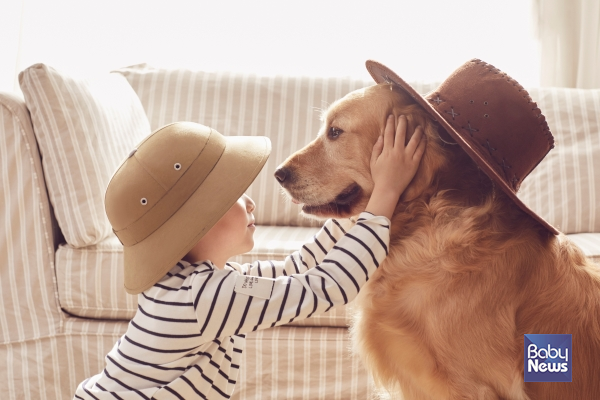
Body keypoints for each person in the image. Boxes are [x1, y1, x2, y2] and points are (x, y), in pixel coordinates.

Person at [74, 114, 425, 399]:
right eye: (235, 195)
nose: (251, 202)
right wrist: (385, 194)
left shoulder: (193, 283)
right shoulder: (205, 298)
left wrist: (351, 207)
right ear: (198, 223)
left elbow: (296, 270)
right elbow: (325, 287)